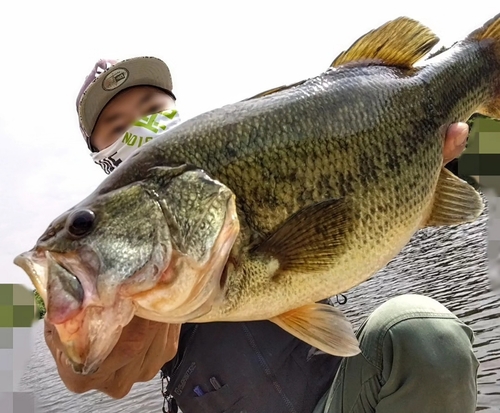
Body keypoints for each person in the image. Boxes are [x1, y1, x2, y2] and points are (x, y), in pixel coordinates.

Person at [45, 57, 479, 413]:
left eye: (151, 110)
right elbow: (86, 364)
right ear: (105, 161)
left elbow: (352, 224)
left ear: (177, 113)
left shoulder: (246, 167)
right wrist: (83, 358)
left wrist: (410, 190)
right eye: (118, 126)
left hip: (339, 399)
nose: (139, 125)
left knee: (421, 333)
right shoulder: (113, 274)